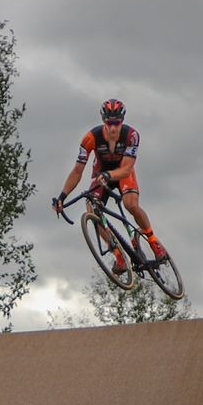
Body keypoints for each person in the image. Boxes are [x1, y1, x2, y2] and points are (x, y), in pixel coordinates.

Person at [53, 98, 167, 274]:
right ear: (103, 121)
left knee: (131, 205)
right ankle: (118, 255)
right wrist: (62, 196)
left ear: (122, 120)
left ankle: (153, 241)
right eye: (109, 123)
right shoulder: (90, 138)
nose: (113, 127)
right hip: (101, 174)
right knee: (92, 209)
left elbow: (127, 168)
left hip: (122, 173)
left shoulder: (132, 135)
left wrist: (109, 174)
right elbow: (77, 171)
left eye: (117, 123)